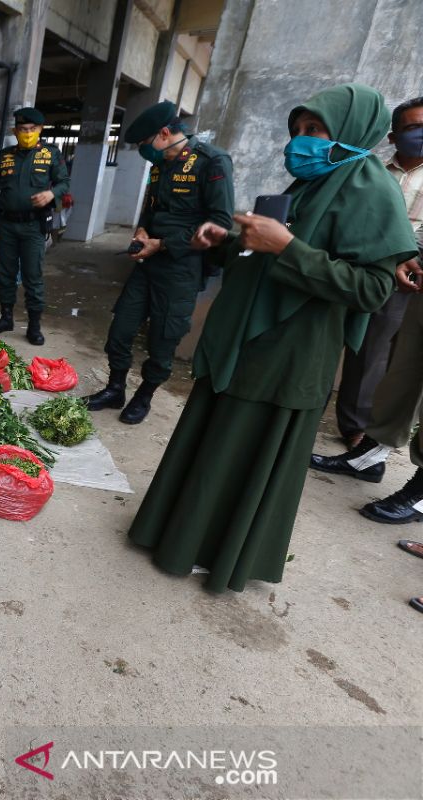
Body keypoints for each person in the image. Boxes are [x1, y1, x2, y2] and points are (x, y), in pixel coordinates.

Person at [127, 83, 418, 593]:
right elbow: (283, 244)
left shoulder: (369, 186)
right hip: (250, 339)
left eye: (314, 130)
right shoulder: (315, 183)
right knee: (216, 440)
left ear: (351, 131)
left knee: (242, 448)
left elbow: (372, 287)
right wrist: (233, 239)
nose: (299, 142)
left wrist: (284, 248)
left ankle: (213, 549)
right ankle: (182, 533)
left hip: (291, 351)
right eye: (298, 130)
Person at [83, 101, 235, 424]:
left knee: (164, 339)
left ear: (165, 134)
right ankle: (115, 388)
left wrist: (163, 244)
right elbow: (151, 209)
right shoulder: (160, 166)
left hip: (182, 269)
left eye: (144, 144)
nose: (143, 152)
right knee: (121, 328)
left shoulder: (211, 162)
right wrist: (142, 230)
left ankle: (145, 395)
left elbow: (220, 224)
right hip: (147, 265)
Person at [327, 97, 423, 450]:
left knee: (372, 352)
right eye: (412, 128)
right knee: (326, 335)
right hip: (353, 264)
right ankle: (303, 410)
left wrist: (403, 256)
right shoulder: (371, 171)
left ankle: (355, 427)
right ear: (394, 136)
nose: (420, 134)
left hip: (404, 275)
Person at [0, 107, 69, 345]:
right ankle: (6, 318)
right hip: (5, 225)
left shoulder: (50, 154)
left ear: (40, 129)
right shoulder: (5, 156)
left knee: (32, 276)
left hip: (33, 227)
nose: (27, 133)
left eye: (32, 129)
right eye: (22, 129)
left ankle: (34, 326)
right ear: (15, 131)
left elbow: (64, 182)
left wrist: (51, 194)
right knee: (4, 274)